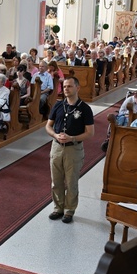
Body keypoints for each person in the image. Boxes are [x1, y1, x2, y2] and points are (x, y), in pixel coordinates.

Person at [45, 77, 95, 224]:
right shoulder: (58, 105)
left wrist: (72, 138)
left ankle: (69, 210)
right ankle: (58, 208)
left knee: (71, 181)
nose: (66, 89)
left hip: (74, 149)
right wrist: (55, 135)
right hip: (57, 147)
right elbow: (48, 126)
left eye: (69, 86)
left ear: (77, 88)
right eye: (64, 86)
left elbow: (90, 133)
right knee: (56, 181)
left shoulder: (84, 108)